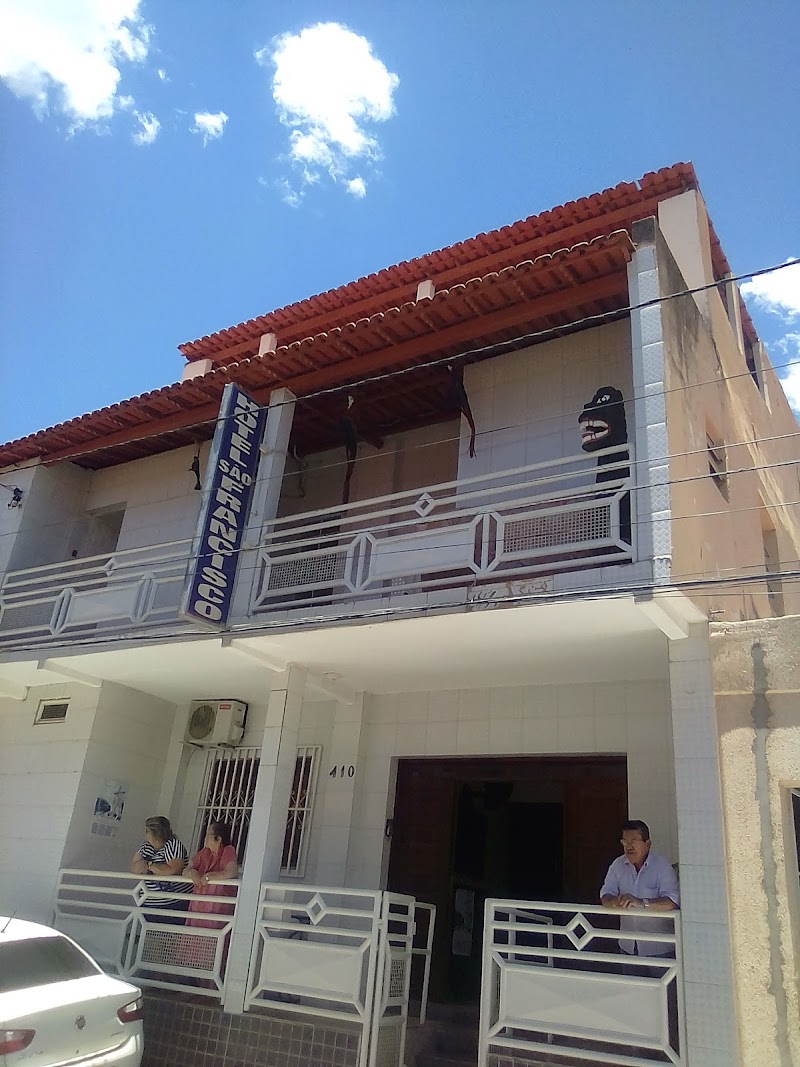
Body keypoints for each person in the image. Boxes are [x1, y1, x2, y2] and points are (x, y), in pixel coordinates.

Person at [600, 819, 680, 958]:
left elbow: (672, 901)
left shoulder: (661, 866)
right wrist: (614, 902)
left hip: (659, 948)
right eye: (625, 842)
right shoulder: (617, 865)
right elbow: (605, 895)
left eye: (634, 841)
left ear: (647, 844)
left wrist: (641, 903)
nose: (628, 846)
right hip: (627, 947)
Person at [130, 815, 191, 923]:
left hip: (172, 904)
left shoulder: (173, 845)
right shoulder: (146, 846)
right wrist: (142, 865)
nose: (145, 834)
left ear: (156, 832)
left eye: (147, 831)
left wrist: (149, 865)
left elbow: (172, 870)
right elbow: (135, 866)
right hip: (148, 903)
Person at [183, 821, 239, 929]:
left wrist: (210, 876)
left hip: (217, 907)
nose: (205, 838)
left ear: (218, 839)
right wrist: (192, 872)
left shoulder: (228, 850)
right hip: (198, 905)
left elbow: (232, 872)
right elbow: (186, 870)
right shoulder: (205, 852)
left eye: (208, 835)